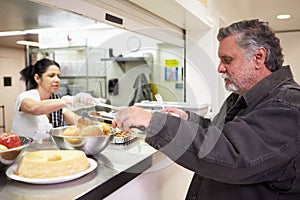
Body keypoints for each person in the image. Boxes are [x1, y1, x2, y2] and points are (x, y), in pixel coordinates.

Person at [113, 19, 300, 199]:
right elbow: (224, 133)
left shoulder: (288, 105)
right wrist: (189, 120)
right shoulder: (243, 96)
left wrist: (153, 122)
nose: (220, 68)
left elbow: (231, 153)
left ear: (259, 57)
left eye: (227, 60)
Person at [12, 58, 96, 138]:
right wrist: (71, 100)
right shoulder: (25, 96)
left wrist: (101, 124)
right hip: (24, 150)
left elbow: (78, 122)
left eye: (58, 76)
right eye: (51, 76)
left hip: (47, 150)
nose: (57, 80)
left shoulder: (55, 100)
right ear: (37, 78)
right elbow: (34, 108)